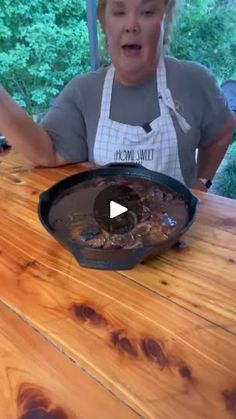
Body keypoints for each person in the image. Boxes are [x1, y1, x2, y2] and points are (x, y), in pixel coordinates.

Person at [0, 0, 234, 191]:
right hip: (111, 224)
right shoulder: (84, 92)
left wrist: (203, 183)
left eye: (147, 11)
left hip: (180, 231)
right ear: (104, 23)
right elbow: (46, 152)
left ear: (165, 20)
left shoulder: (194, 81)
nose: (131, 25)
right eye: (119, 12)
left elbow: (222, 132)